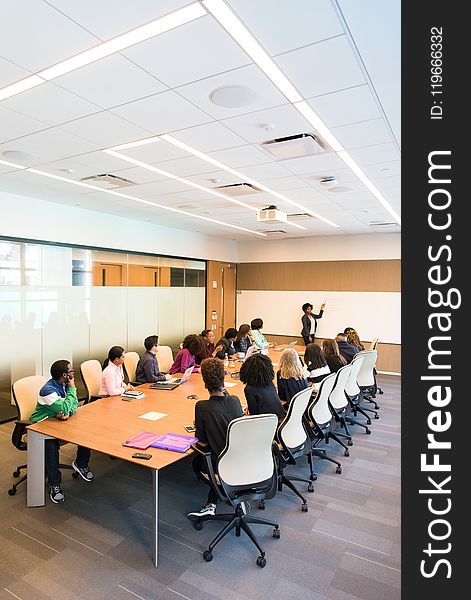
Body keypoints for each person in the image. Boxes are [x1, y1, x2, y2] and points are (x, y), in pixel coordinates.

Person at [30, 360, 93, 504]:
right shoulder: (48, 390)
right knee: (50, 446)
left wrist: (67, 412)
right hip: (42, 425)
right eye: (71, 371)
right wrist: (71, 392)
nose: (73, 373)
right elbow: (66, 405)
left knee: (86, 430)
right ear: (65, 375)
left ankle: (81, 464)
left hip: (58, 422)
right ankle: (55, 484)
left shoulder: (64, 384)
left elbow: (74, 403)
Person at [187, 358, 244, 518]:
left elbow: (202, 441)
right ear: (223, 378)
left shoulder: (202, 406)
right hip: (243, 458)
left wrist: (200, 425)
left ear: (205, 383)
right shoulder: (235, 400)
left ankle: (214, 500)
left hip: (221, 464)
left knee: (197, 462)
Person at [239, 353, 286, 421]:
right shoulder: (270, 383)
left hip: (269, 424)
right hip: (281, 419)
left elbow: (254, 415)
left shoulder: (249, 389)